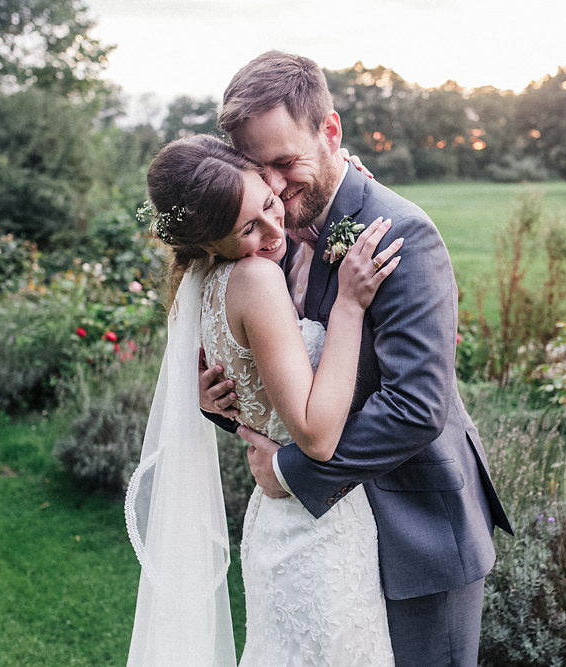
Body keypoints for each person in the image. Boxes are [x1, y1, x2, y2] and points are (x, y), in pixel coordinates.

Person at [201, 51, 513, 667]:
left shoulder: (403, 234)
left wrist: (292, 471)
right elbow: (276, 371)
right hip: (329, 548)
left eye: (285, 163)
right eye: (258, 169)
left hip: (417, 533)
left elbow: (415, 406)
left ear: (331, 131)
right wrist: (225, 404)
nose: (273, 186)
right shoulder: (267, 233)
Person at [125, 134, 401, 666]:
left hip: (273, 520)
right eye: (249, 227)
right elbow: (316, 435)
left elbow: (249, 393)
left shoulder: (202, 280)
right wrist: (348, 304)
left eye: (270, 203)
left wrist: (344, 182)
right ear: (208, 240)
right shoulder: (255, 279)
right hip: (318, 529)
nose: (276, 232)